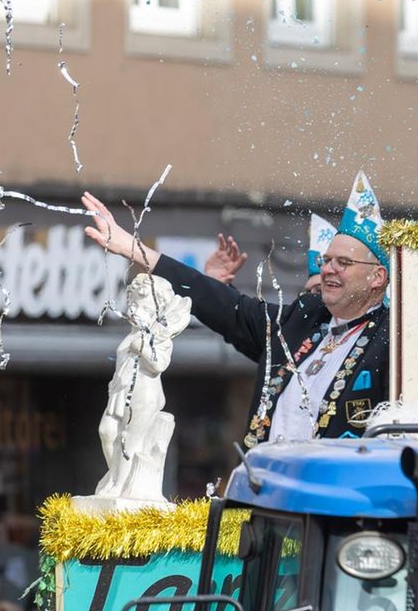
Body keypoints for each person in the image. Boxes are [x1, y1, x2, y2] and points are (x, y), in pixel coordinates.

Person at [83, 171, 393, 447]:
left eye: (344, 263)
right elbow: (228, 309)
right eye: (327, 261)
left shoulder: (393, 336)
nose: (328, 270)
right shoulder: (304, 318)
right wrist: (131, 248)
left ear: (378, 277)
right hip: (267, 496)